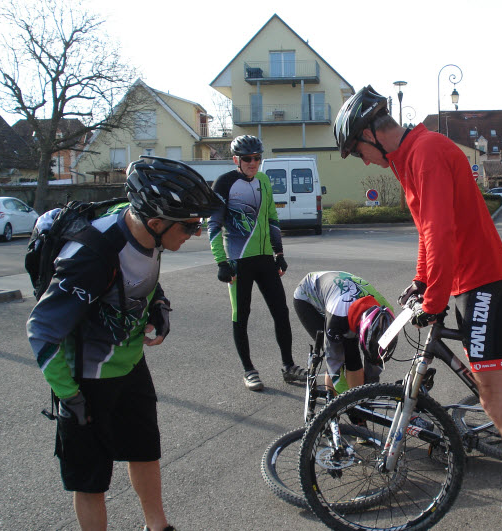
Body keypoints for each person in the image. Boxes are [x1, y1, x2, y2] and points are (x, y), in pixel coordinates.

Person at [333, 86, 502, 531]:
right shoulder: (411, 158)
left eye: (357, 150)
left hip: (483, 284)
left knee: (494, 398)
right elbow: (427, 235)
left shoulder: (426, 153)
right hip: (469, 285)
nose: (362, 160)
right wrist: (423, 283)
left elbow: (440, 233)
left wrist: (433, 301)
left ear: (370, 134)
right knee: (493, 393)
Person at [27, 156, 224, 531]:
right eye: (191, 226)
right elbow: (41, 329)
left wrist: (159, 306)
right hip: (85, 381)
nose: (196, 233)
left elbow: (140, 271)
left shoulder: (147, 225)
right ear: (156, 222)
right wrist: (69, 396)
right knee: (92, 480)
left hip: (130, 365)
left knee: (145, 451)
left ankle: (158, 526)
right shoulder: (92, 255)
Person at [207, 135, 306, 391]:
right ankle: (249, 370)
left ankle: (288, 366)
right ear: (235, 159)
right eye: (247, 159)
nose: (253, 163)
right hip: (239, 261)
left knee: (281, 313)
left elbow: (272, 217)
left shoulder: (263, 180)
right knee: (241, 315)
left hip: (264, 259)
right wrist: (221, 262)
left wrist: (279, 253)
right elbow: (214, 225)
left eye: (257, 158)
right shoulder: (224, 183)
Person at [293, 271, 397, 394]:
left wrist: (370, 387)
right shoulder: (338, 315)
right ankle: (332, 408)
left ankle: (359, 403)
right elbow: (334, 363)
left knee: (353, 356)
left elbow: (375, 357)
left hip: (342, 299)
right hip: (308, 298)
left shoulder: (387, 314)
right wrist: (343, 400)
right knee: (340, 355)